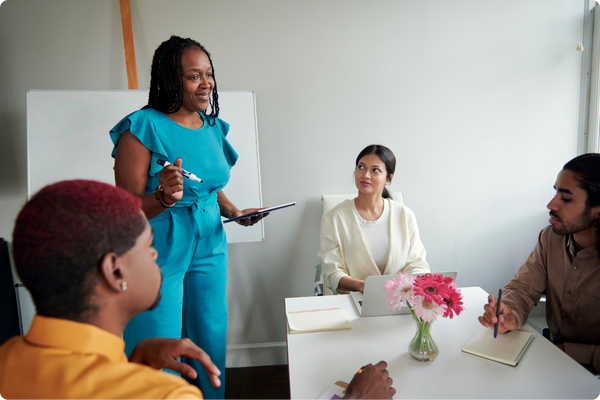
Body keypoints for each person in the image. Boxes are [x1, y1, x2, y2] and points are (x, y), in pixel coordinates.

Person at [0, 179, 396, 400]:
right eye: (148, 245)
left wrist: (134, 364)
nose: (158, 253)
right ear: (114, 269)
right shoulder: (167, 395)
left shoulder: (7, 360)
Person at [109, 36, 265, 398]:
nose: (206, 83)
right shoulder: (141, 127)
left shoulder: (211, 126)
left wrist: (234, 211)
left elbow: (209, 185)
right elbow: (126, 207)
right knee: (157, 339)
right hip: (158, 245)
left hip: (210, 240)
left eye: (208, 74)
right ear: (170, 80)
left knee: (208, 335)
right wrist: (163, 196)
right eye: (194, 76)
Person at [478, 153, 600, 374]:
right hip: (552, 364)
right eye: (555, 192)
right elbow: (523, 287)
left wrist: (569, 352)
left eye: (566, 198)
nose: (551, 204)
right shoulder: (551, 238)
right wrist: (509, 313)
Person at [319, 144, 430, 294]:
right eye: (361, 167)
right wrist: (362, 286)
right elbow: (332, 273)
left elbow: (417, 264)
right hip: (354, 300)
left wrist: (409, 288)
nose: (365, 175)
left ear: (388, 179)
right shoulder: (333, 218)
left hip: (399, 299)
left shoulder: (405, 215)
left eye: (375, 170)